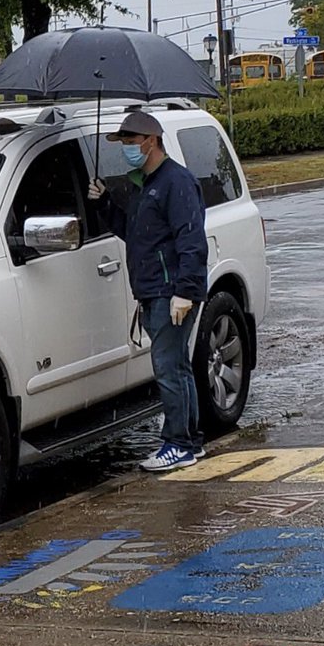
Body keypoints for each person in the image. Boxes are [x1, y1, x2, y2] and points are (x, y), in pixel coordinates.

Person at [88, 110, 208, 472]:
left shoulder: (176, 183)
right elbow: (137, 233)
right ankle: (189, 441)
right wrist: (105, 203)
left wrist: (183, 291)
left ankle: (177, 443)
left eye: (129, 142)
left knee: (168, 368)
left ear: (150, 141)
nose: (125, 148)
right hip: (157, 290)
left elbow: (191, 240)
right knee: (178, 367)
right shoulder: (146, 184)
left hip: (170, 292)